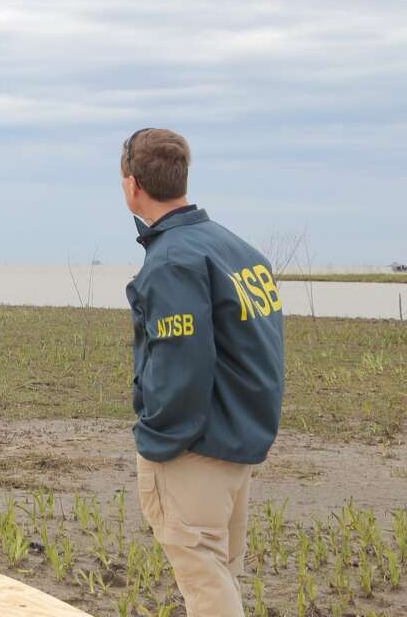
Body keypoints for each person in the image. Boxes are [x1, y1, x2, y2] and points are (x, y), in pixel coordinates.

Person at [121, 128, 285, 617]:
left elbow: (182, 365)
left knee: (206, 584)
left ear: (133, 186)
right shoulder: (240, 251)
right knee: (221, 576)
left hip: (196, 450)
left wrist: (157, 438)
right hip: (241, 444)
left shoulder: (173, 260)